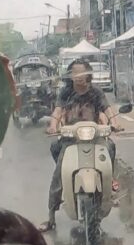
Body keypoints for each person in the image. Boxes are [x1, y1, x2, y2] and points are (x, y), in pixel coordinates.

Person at [39, 59, 121, 232]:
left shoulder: (96, 92)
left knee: (110, 147)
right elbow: (58, 111)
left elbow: (107, 109)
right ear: (70, 76)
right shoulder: (66, 92)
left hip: (94, 135)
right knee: (59, 171)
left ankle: (109, 184)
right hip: (70, 138)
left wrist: (115, 123)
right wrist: (53, 125)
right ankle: (51, 217)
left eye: (82, 73)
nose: (78, 77)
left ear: (88, 74)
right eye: (74, 73)